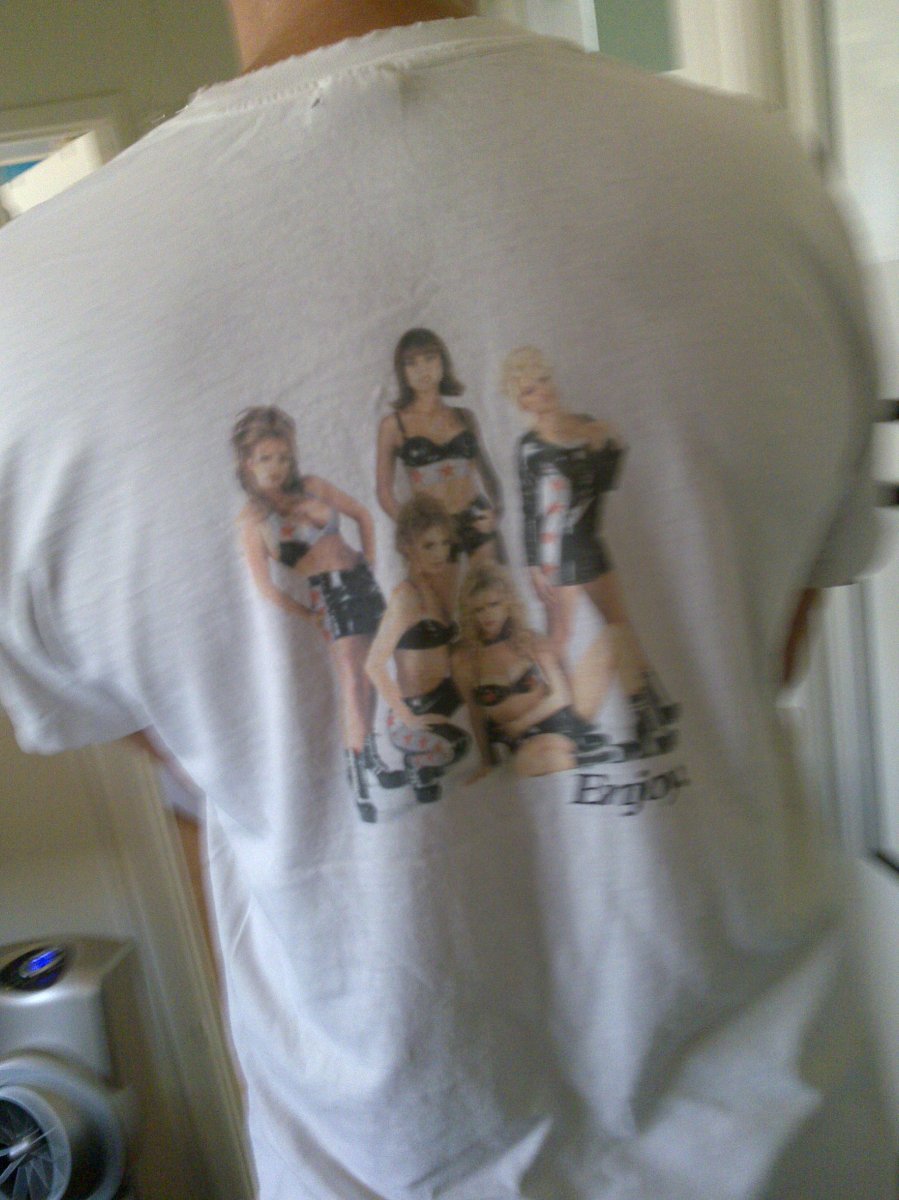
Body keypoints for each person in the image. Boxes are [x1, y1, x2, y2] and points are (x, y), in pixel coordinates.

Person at [0, 2, 893, 1197]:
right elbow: (761, 651)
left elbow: (203, 784)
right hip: (778, 1144)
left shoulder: (27, 319)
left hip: (385, 1155)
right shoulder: (758, 179)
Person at [503, 346, 679, 754]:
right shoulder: (529, 447)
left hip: (588, 540)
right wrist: (533, 564)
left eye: (543, 380)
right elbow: (530, 510)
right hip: (557, 549)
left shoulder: (586, 426)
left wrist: (610, 447)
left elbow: (606, 486)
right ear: (522, 403)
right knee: (572, 634)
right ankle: (645, 708)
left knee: (617, 624)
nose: (541, 392)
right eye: (529, 390)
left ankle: (646, 709)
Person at [231, 405, 404, 820]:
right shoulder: (252, 519)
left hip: (360, 581)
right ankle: (358, 778)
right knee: (352, 682)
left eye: (283, 457)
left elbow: (362, 514)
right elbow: (265, 587)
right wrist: (308, 614)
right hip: (327, 594)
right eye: (265, 458)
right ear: (248, 462)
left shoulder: (311, 486)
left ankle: (372, 759)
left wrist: (370, 561)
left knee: (373, 673)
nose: (276, 467)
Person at [453, 562, 607, 782]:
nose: (488, 614)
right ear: (470, 612)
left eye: (494, 604)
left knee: (608, 640)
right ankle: (587, 756)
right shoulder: (465, 660)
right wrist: (487, 761)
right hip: (523, 741)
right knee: (531, 761)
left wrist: (520, 723)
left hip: (556, 721)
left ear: (508, 603)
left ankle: (583, 752)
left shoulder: (529, 640)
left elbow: (561, 696)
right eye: (479, 609)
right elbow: (475, 714)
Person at [365, 494, 469, 803]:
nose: (440, 553)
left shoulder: (434, 589)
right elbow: (373, 664)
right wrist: (407, 716)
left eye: (444, 543)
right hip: (413, 711)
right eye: (428, 545)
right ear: (407, 547)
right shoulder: (406, 598)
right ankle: (416, 765)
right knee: (458, 746)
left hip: (442, 697)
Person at [376, 327, 504, 562]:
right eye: (411, 363)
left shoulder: (465, 417)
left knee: (491, 584)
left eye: (429, 358)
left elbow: (487, 473)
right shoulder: (393, 425)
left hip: (476, 520)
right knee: (443, 588)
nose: (422, 369)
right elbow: (384, 492)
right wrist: (414, 530)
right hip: (432, 530)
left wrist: (497, 510)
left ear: (443, 362)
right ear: (402, 372)